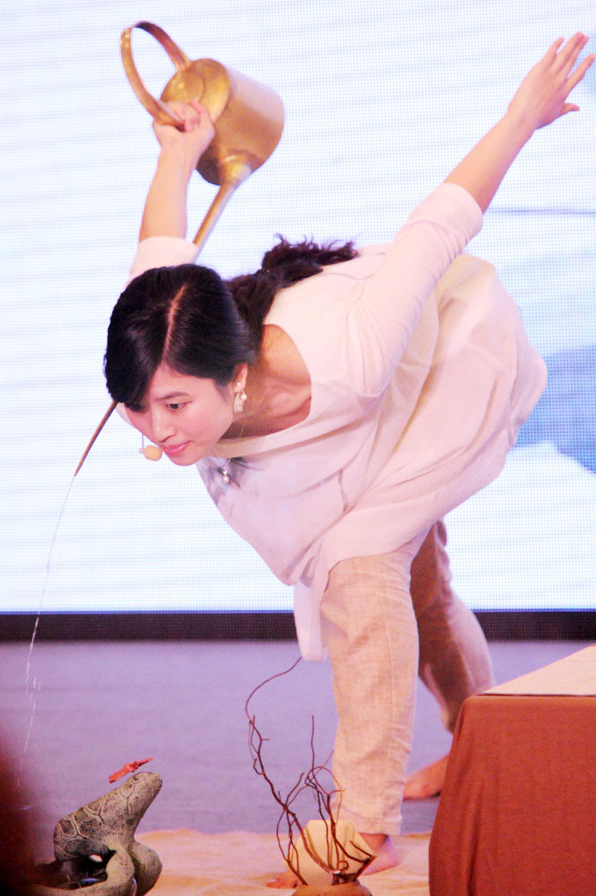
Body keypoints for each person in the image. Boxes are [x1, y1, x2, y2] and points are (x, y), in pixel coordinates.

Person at [103, 35, 593, 882]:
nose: (157, 429)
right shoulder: (165, 326)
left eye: (175, 407)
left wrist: (522, 117)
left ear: (237, 373)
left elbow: (438, 227)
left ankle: (363, 824)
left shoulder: (345, 352)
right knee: (422, 586)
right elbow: (162, 234)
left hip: (441, 378)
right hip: (328, 438)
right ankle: (478, 742)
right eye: (138, 409)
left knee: (362, 570)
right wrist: (181, 150)